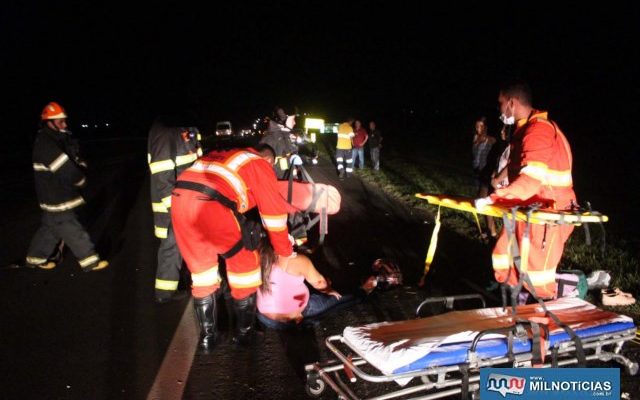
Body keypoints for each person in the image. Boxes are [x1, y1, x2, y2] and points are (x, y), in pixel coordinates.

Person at [170, 144, 298, 349]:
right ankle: (244, 335)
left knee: (202, 273)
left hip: (179, 201)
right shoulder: (259, 164)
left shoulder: (227, 156)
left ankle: (207, 339)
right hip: (210, 204)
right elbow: (273, 216)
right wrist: (285, 250)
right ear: (269, 161)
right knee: (245, 266)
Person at [475, 81, 576, 301]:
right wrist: (499, 185)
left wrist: (495, 198)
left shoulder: (538, 131)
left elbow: (531, 179)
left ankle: (545, 320)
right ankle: (517, 308)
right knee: (510, 261)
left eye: (501, 104)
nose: (500, 110)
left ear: (511, 103)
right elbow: (517, 167)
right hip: (532, 209)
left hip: (548, 215)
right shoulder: (526, 130)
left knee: (538, 279)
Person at [25, 102, 108, 272]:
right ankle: (89, 261)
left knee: (50, 229)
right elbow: (68, 170)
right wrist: (81, 180)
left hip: (55, 196)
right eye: (61, 121)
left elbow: (74, 160)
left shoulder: (56, 140)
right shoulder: (46, 145)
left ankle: (35, 259)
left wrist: (80, 163)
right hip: (57, 198)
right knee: (71, 228)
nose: (65, 125)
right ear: (50, 122)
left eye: (65, 121)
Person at [256, 239, 377, 329]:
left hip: (265, 317)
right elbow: (320, 283)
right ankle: (363, 291)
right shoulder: (295, 261)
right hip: (296, 315)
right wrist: (329, 290)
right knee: (336, 299)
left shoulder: (252, 257)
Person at [147, 116, 202, 303]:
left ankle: (181, 283)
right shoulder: (164, 132)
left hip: (189, 199)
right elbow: (163, 176)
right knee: (173, 247)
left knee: (183, 244)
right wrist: (176, 207)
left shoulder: (185, 127)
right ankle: (164, 293)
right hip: (176, 203)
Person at [471, 116, 497, 239]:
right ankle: (489, 230)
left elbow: (495, 157)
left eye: (480, 126)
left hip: (486, 175)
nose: (478, 128)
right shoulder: (475, 138)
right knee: (481, 203)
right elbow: (475, 157)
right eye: (476, 126)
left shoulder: (491, 140)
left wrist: (494, 172)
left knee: (483, 202)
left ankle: (492, 233)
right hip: (477, 174)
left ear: (485, 127)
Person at [259, 107, 297, 178]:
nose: (295, 122)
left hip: (289, 183)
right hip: (280, 184)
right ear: (283, 120)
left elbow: (287, 154)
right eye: (293, 119)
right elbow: (263, 170)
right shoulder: (270, 139)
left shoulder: (284, 136)